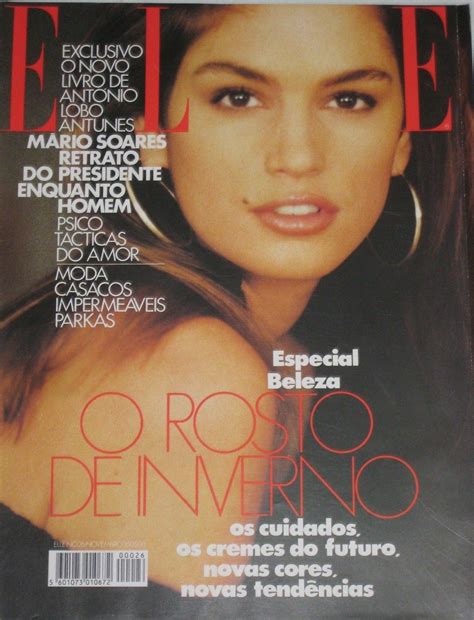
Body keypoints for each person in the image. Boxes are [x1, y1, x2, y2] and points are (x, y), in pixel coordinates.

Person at [0, 4, 470, 618]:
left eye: (349, 99)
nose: (298, 157)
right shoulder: (193, 371)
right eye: (238, 97)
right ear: (152, 135)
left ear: (402, 141)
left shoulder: (284, 352)